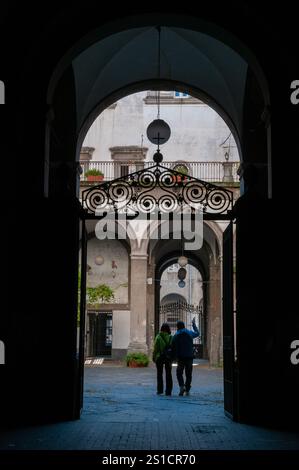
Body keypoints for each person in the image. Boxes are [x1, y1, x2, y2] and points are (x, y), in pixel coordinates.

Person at [171, 317, 199, 396]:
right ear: (184, 326)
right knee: (189, 373)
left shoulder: (176, 335)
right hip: (189, 356)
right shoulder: (189, 333)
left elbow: (173, 345)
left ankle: (181, 386)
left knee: (179, 372)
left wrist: (173, 357)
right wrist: (193, 325)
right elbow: (197, 333)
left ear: (177, 327)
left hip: (181, 357)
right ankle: (187, 388)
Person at [152, 323, 173, 396]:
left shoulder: (158, 337)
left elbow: (155, 348)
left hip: (159, 357)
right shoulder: (171, 337)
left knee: (159, 374)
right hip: (168, 357)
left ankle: (160, 390)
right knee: (169, 374)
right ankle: (168, 391)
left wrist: (154, 356)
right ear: (168, 329)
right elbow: (172, 348)